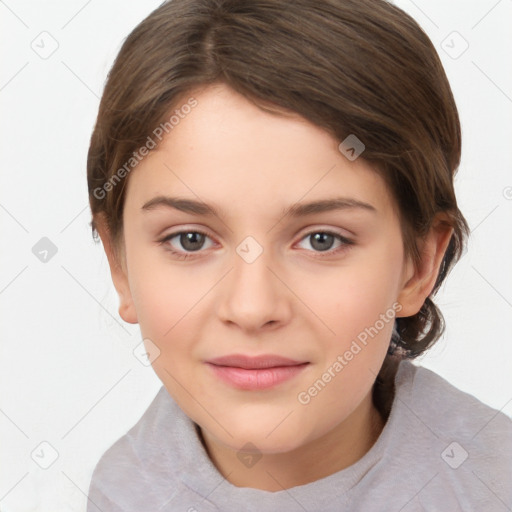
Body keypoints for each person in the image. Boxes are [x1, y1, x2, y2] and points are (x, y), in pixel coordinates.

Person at [85, 0, 512, 510]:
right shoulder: (125, 492)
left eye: (322, 240)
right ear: (120, 265)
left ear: (418, 265)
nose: (252, 307)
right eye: (191, 239)